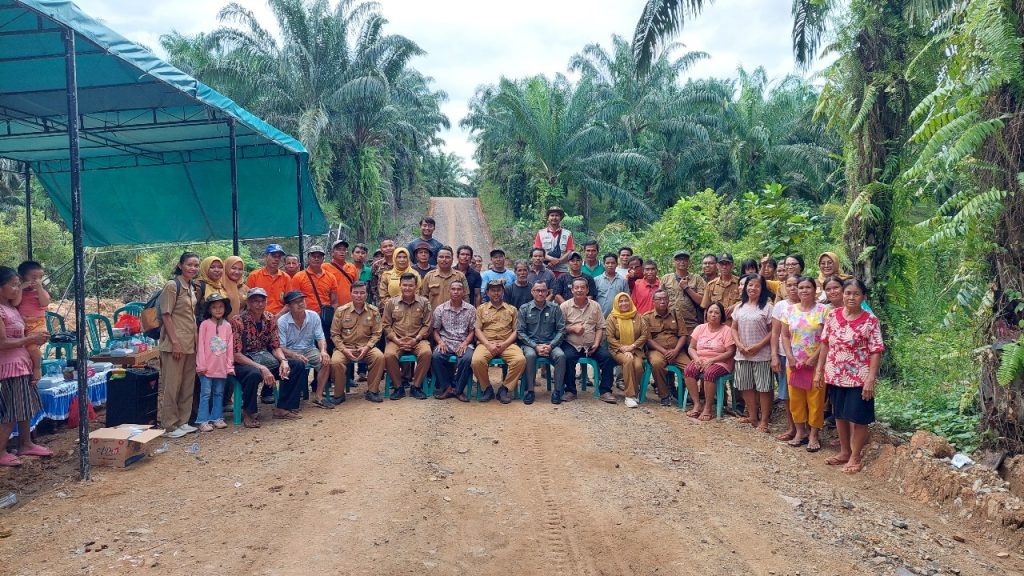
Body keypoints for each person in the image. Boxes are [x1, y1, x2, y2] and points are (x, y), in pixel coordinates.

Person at [816, 279, 884, 474]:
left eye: (856, 294)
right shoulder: (833, 315)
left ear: (863, 297)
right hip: (835, 374)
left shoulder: (870, 320)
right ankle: (845, 451)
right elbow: (825, 344)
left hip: (859, 377)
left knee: (858, 416)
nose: (851, 297)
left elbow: (876, 350)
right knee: (840, 414)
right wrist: (820, 370)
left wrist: (871, 378)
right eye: (848, 293)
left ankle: (855, 455)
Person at [231, 288, 305, 427]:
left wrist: (283, 361)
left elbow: (275, 345)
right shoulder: (238, 321)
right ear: (248, 303)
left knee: (296, 365)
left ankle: (283, 407)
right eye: (255, 301)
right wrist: (262, 368)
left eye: (262, 301)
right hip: (243, 361)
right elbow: (236, 354)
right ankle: (249, 412)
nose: (259, 304)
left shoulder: (270, 318)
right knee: (252, 374)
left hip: (264, 358)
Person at [0, 266, 51, 466]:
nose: (16, 288)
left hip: (22, 364)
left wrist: (35, 339)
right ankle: (1, 451)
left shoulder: (13, 307)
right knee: (12, 411)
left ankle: (26, 443)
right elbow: (2, 343)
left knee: (24, 407)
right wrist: (30, 339)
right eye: (13, 285)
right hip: (10, 366)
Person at [157, 252, 200, 437]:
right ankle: (169, 425)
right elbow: (166, 315)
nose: (193, 268)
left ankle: (183, 421)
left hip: (190, 343)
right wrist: (175, 342)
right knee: (172, 385)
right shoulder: (171, 286)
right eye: (190, 264)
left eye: (196, 265)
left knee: (186, 384)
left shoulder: (191, 287)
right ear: (180, 265)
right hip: (175, 343)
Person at [783, 276, 827, 452]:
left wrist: (814, 358)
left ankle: (814, 434)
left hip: (815, 364)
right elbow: (785, 336)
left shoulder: (823, 311)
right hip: (794, 363)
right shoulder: (790, 310)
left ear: (815, 289)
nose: (804, 290)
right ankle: (800, 432)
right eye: (800, 287)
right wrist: (790, 356)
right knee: (796, 398)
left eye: (808, 287)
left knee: (815, 399)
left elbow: (826, 339)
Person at [560, 277, 616, 403]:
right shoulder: (564, 306)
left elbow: (600, 327)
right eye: (577, 287)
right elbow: (559, 329)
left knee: (607, 358)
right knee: (567, 358)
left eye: (582, 287)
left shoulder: (595, 306)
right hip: (571, 343)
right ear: (572, 290)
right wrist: (572, 328)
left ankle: (605, 391)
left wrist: (596, 344)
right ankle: (570, 391)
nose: (579, 290)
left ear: (587, 290)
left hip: (591, 344)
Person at [731, 274, 775, 433]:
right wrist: (739, 344)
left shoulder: (767, 307)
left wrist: (759, 345)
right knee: (746, 386)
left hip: (762, 354)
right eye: (750, 285)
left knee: (763, 388)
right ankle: (752, 416)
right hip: (742, 353)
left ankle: (764, 420)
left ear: (762, 288)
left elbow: (773, 332)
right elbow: (733, 328)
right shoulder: (739, 307)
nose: (753, 288)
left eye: (757, 286)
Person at [471, 280, 526, 403]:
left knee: (520, 360)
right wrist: (487, 344)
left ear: (503, 292)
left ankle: (505, 388)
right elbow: (477, 330)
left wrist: (505, 344)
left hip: (507, 343)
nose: (496, 293)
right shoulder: (481, 309)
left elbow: (516, 331)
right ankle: (487, 388)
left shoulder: (512, 309)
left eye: (498, 290)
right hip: (486, 343)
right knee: (476, 361)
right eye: (493, 290)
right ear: (488, 292)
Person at [330, 282, 386, 402]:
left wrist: (367, 347)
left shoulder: (373, 311)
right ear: (351, 294)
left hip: (366, 347)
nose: (359, 295)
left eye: (362, 293)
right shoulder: (341, 311)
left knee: (379, 357)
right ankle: (339, 394)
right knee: (335, 362)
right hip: (345, 347)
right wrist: (344, 350)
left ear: (366, 295)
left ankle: (372, 391)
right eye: (355, 292)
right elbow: (334, 334)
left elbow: (377, 333)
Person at [277, 291, 332, 408]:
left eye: (302, 301)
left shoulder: (313, 316)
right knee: (296, 364)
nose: (300, 304)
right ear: (288, 306)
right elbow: (281, 347)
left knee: (325, 362)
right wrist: (294, 355)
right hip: (290, 352)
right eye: (296, 302)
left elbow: (320, 337)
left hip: (309, 349)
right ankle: (291, 399)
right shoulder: (282, 321)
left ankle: (318, 396)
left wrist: (323, 351)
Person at [382, 273, 432, 400]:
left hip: (418, 339)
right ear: (400, 286)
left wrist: (416, 339)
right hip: (397, 339)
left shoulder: (424, 302)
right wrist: (396, 340)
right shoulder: (391, 303)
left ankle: (416, 386)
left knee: (426, 353)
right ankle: (399, 387)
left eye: (411, 285)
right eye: (405, 285)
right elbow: (386, 325)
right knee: (389, 355)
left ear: (416, 287)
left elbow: (427, 325)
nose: (407, 288)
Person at [684, 302, 736, 420]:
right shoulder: (700, 328)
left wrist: (712, 360)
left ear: (721, 315)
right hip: (701, 359)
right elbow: (691, 347)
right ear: (706, 314)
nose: (713, 315)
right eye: (711, 312)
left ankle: (707, 408)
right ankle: (697, 405)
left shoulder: (726, 330)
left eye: (717, 313)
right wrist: (696, 359)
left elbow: (730, 352)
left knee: (710, 373)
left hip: (721, 361)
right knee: (689, 370)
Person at [517, 282, 566, 404]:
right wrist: (535, 346)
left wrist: (551, 345)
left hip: (550, 344)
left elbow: (561, 330)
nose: (540, 293)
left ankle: (557, 391)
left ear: (547, 292)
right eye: (537, 290)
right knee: (530, 355)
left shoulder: (555, 308)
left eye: (543, 290)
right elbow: (520, 332)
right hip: (530, 344)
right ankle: (530, 391)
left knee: (560, 356)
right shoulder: (524, 308)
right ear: (532, 292)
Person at [430, 280, 476, 401]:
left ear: (463, 292)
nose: (456, 292)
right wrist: (440, 342)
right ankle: (447, 387)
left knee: (467, 358)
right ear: (449, 291)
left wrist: (465, 343)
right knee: (436, 356)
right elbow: (435, 330)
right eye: (453, 289)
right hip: (446, 342)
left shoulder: (471, 309)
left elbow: (472, 330)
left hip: (464, 342)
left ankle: (458, 389)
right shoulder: (441, 309)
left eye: (459, 289)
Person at [643, 289, 689, 407]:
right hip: (657, 350)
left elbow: (683, 335)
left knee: (690, 367)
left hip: (677, 350)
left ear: (668, 300)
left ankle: (682, 392)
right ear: (653, 301)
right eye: (659, 299)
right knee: (657, 363)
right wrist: (664, 351)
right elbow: (648, 340)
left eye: (665, 299)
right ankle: (664, 395)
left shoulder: (675, 314)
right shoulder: (647, 317)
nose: (662, 301)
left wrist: (675, 351)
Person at [195, 293, 234, 432]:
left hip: (221, 367)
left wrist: (229, 366)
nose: (218, 310)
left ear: (225, 308)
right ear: (209, 310)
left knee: (219, 392)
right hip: (206, 368)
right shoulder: (205, 325)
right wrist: (201, 365)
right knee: (205, 394)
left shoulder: (227, 326)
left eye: (221, 307)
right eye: (214, 307)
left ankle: (217, 417)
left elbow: (229, 347)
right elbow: (200, 346)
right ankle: (202, 420)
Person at [770, 275, 800, 443]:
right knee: (786, 393)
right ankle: (792, 427)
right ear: (784, 287)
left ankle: (807, 430)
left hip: (805, 357)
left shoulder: (812, 307)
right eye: (789, 285)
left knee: (802, 393)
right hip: (783, 354)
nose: (793, 288)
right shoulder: (780, 306)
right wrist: (774, 355)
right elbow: (775, 333)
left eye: (797, 284)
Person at [606, 293, 649, 408]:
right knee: (628, 361)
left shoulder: (637, 316)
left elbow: (644, 335)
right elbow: (609, 337)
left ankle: (635, 390)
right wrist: (623, 349)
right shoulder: (612, 317)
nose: (624, 303)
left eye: (626, 300)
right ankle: (629, 396)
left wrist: (633, 346)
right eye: (621, 301)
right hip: (617, 349)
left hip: (635, 349)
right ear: (616, 303)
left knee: (639, 366)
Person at [14, 261, 49, 383]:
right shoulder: (19, 291)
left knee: (32, 347)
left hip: (38, 324)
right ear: (22, 277)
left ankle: (37, 368)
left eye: (40, 278)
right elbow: (15, 303)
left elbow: (44, 303)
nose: (37, 280)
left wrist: (39, 289)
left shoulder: (41, 292)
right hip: (23, 324)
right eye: (33, 277)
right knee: (24, 348)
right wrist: (20, 289)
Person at [660, 250, 705, 331]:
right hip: (670, 322)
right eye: (679, 259)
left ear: (689, 262)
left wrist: (687, 288)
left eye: (685, 259)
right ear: (673, 262)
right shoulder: (666, 278)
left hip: (691, 324)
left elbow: (702, 301)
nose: (682, 262)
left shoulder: (697, 278)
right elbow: (659, 300)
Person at [289, 245, 337, 316]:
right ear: (308, 258)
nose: (316, 259)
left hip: (325, 317)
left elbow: (334, 302)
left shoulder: (331, 277)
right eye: (313, 256)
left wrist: (332, 317)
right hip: (306, 317)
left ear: (323, 259)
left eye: (319, 256)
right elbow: (294, 301)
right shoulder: (298, 277)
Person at [246, 244, 290, 316]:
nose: (276, 259)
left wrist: (277, 316)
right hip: (258, 317)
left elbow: (289, 302)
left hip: (280, 317)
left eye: (279, 257)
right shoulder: (254, 276)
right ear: (266, 256)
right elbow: (248, 300)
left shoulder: (286, 278)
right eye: (273, 256)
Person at [534, 206, 574, 275]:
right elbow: (537, 251)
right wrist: (552, 260)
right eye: (552, 215)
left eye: (557, 215)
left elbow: (570, 251)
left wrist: (558, 261)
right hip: (545, 270)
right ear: (548, 217)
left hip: (562, 271)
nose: (554, 218)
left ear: (560, 218)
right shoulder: (540, 233)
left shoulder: (567, 234)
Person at [194, 256, 228, 324]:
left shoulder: (221, 285)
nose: (217, 270)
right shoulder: (199, 285)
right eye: (212, 267)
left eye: (220, 267)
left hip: (221, 326)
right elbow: (193, 309)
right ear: (205, 268)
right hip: (203, 326)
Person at [326, 240, 358, 308]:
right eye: (339, 249)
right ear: (332, 253)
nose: (342, 252)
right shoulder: (325, 267)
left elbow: (356, 287)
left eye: (344, 249)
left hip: (350, 306)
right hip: (333, 307)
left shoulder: (352, 267)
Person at [369, 238, 396, 304]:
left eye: (390, 246)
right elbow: (373, 285)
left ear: (395, 247)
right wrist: (377, 298)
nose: (388, 248)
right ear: (381, 250)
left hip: (400, 301)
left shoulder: (402, 263)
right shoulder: (377, 265)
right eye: (385, 247)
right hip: (382, 303)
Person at [223, 255, 248, 320]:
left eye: (240, 269)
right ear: (227, 267)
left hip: (240, 326)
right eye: (233, 268)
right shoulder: (219, 285)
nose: (237, 272)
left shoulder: (244, 288)